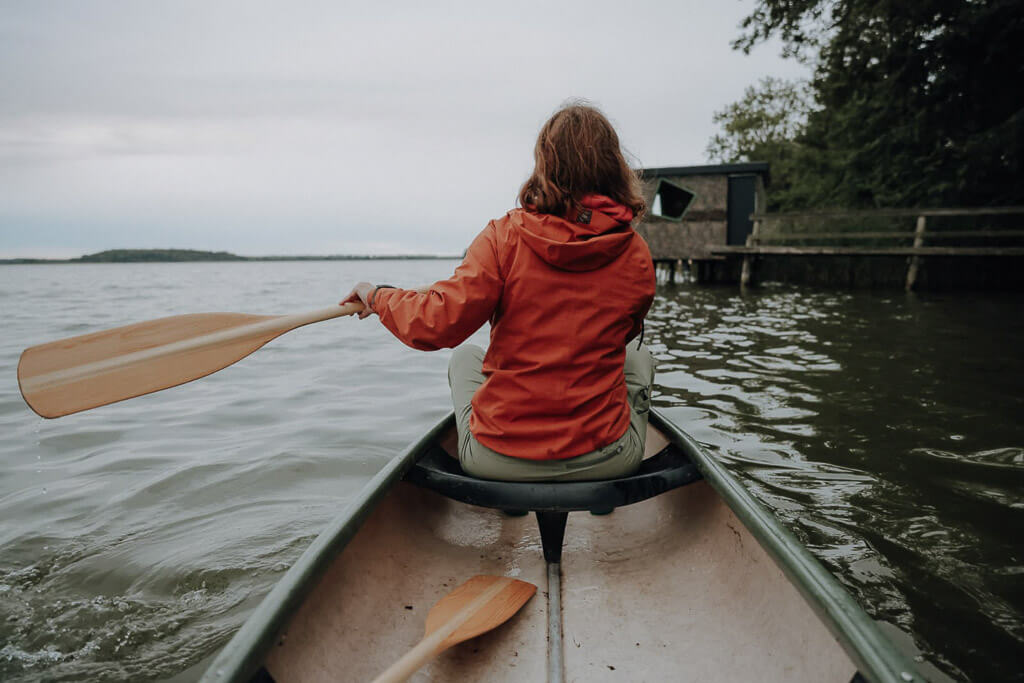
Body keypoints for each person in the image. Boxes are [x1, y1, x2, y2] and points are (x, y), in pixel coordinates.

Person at [344, 102, 656, 482]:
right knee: (638, 357)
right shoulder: (635, 251)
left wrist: (378, 297)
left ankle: (510, 503)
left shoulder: (503, 237)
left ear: (546, 165)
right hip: (606, 458)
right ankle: (603, 504)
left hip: (497, 459)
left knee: (464, 358)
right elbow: (623, 333)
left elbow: (438, 325)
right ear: (613, 166)